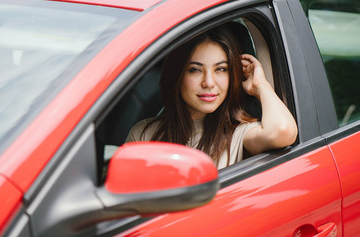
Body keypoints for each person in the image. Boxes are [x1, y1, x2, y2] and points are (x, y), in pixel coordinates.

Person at [126, 23, 298, 169]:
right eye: (195, 70)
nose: (208, 82)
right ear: (177, 75)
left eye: (221, 69)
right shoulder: (145, 134)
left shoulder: (238, 134)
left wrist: (261, 86)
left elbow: (283, 131)